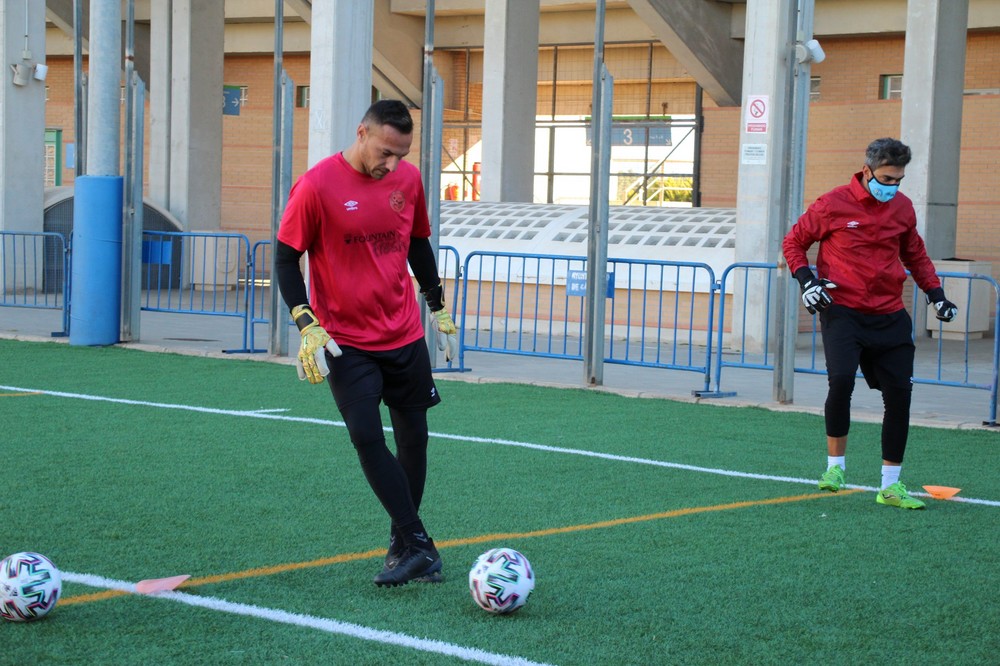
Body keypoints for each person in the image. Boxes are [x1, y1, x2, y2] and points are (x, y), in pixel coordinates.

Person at [275, 99, 458, 585]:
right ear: (362, 133)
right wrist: (305, 322)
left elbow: (417, 242)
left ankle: (406, 547)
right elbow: (283, 259)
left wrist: (436, 303)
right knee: (365, 436)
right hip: (345, 340)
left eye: (401, 154)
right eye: (385, 151)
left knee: (414, 438)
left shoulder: (408, 180)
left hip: (402, 332)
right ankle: (420, 544)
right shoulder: (316, 186)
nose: (392, 164)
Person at [782, 137, 958, 510]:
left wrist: (936, 294)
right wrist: (806, 280)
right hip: (843, 310)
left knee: (899, 396)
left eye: (899, 180)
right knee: (841, 380)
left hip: (890, 314)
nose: (892, 186)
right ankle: (835, 468)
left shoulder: (903, 208)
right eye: (886, 178)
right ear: (867, 171)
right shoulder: (832, 203)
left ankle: (890, 486)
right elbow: (794, 242)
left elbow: (916, 255)